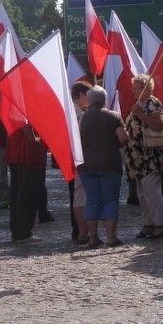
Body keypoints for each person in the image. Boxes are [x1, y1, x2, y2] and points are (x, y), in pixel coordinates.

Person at [77, 85, 128, 247]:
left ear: (90, 100)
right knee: (110, 200)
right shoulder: (114, 116)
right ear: (104, 99)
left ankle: (93, 238)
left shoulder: (82, 118)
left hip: (87, 165)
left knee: (92, 200)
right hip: (109, 164)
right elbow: (122, 139)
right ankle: (112, 237)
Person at [124, 75, 163, 240]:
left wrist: (141, 115)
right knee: (142, 193)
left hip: (151, 156)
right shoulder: (138, 105)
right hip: (138, 158)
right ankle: (148, 223)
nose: (133, 90)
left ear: (146, 88)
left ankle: (160, 224)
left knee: (152, 192)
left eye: (136, 88)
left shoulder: (152, 103)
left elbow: (159, 125)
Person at [6, 123, 48, 242]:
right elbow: (25, 123)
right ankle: (23, 231)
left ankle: (17, 229)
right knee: (27, 194)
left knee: (17, 193)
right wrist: (33, 138)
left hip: (17, 149)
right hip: (26, 152)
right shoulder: (23, 105)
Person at [69, 80, 92, 242]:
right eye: (88, 96)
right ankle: (82, 231)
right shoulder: (77, 113)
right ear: (82, 95)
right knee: (79, 195)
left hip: (76, 159)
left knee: (77, 195)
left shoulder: (77, 111)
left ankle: (79, 231)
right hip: (79, 160)